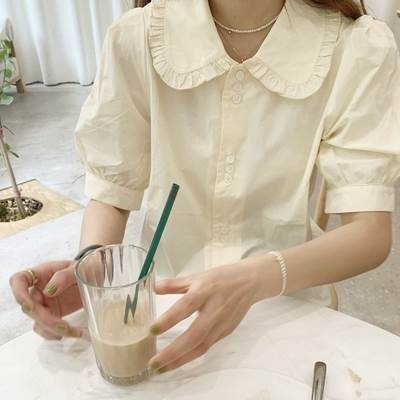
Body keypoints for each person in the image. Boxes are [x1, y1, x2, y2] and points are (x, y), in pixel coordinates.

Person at [9, 0, 400, 374]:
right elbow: (112, 190)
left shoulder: (355, 47)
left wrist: (255, 279)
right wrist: (92, 263)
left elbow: (369, 233)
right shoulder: (138, 37)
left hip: (287, 313)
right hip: (164, 314)